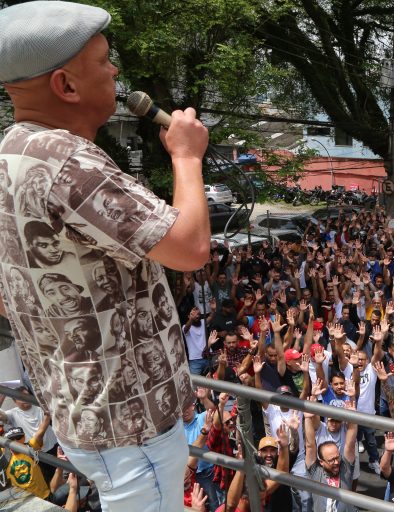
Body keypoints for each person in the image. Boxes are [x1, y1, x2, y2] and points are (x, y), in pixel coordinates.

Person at [0, 2, 210, 510]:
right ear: (65, 86)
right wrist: (185, 157)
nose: (116, 72)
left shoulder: (11, 152)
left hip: (82, 412)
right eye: (103, 61)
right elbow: (190, 247)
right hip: (130, 426)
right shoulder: (69, 162)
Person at [304, 400, 359, 512]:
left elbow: (350, 445)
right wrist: (308, 418)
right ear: (321, 462)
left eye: (337, 457)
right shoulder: (315, 472)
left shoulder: (345, 470)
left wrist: (353, 417)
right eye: (331, 460)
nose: (337, 462)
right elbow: (310, 445)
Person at [1, 420, 52, 500]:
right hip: (21, 499)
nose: (15, 441)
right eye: (11, 439)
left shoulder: (30, 447)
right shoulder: (4, 454)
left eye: (18, 437)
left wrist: (47, 416)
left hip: (43, 496)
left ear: (24, 437)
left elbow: (40, 433)